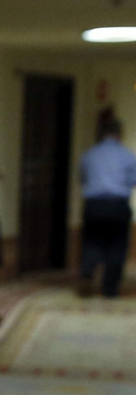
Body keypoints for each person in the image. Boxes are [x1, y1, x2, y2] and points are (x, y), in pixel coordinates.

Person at [77, 115, 136, 298]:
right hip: (118, 205)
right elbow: (133, 180)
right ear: (119, 134)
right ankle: (110, 288)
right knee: (117, 246)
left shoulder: (89, 155)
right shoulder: (127, 156)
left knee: (92, 241)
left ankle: (88, 270)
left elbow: (82, 178)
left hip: (94, 205)